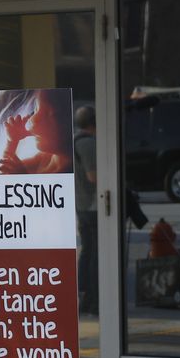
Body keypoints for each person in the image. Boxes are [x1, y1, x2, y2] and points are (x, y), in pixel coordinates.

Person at [71, 106, 99, 312]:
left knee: (88, 250)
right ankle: (91, 295)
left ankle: (84, 293)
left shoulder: (73, 142)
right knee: (94, 252)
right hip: (91, 205)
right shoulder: (88, 144)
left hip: (81, 204)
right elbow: (93, 176)